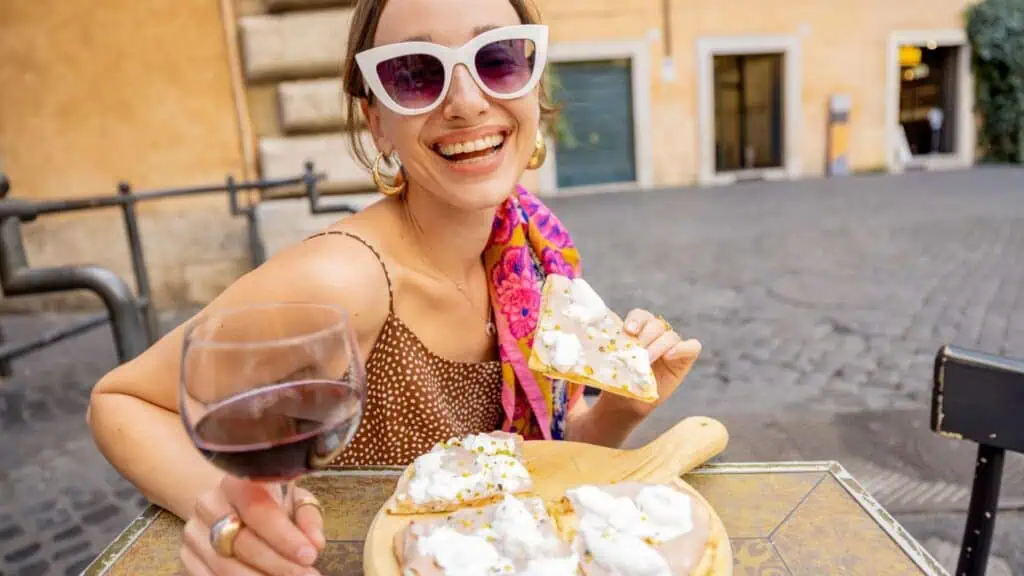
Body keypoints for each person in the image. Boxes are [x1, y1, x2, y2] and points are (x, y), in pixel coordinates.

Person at [86, 0, 703, 573]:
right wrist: (224, 512)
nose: (466, 101)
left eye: (497, 59)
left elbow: (536, 466)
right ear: (376, 122)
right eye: (416, 73)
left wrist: (619, 411)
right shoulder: (345, 279)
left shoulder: (527, 257)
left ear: (532, 86)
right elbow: (123, 402)